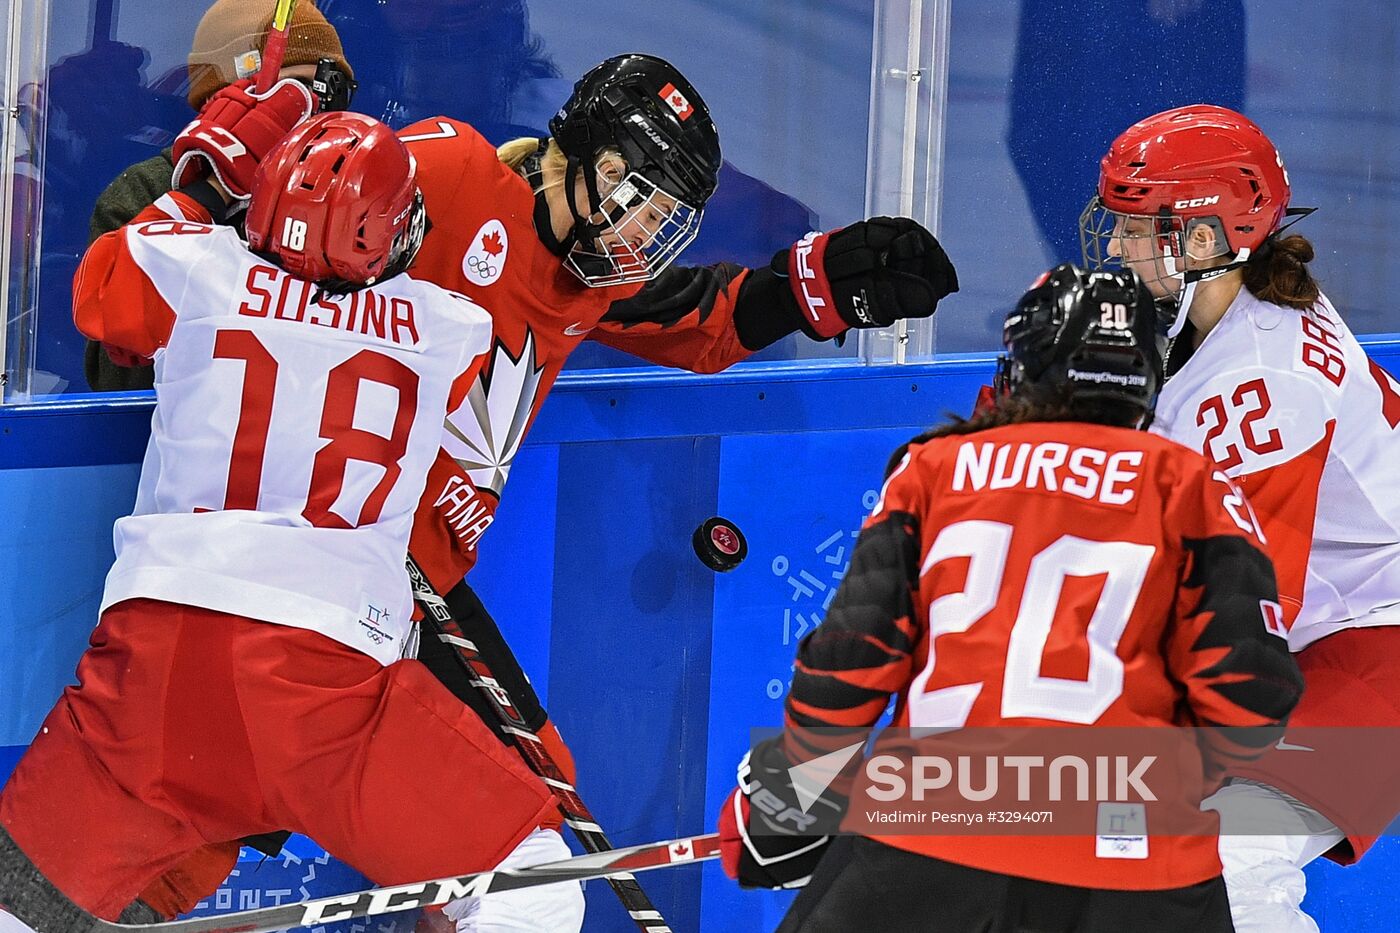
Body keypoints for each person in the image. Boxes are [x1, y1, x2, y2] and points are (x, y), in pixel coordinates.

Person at [111, 50, 960, 922]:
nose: (645, 241)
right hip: (327, 557)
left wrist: (818, 284)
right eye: (645, 210)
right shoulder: (446, 173)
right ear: (595, 164)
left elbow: (697, 318)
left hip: (411, 585)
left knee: (522, 830)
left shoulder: (588, 269)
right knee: (240, 809)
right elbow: (288, 249)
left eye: (666, 223)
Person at [0, 111, 582, 933]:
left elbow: (100, 296)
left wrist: (202, 175)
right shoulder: (452, 329)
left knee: (18, 904)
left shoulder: (193, 266)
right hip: (328, 692)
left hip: (155, 673)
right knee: (540, 884)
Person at [716, 264, 1303, 931]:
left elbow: (851, 659)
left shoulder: (937, 468)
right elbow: (1251, 697)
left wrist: (805, 780)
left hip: (935, 831)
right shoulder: (1199, 487)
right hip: (1138, 859)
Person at [1081, 102, 1400, 933]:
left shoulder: (1262, 386)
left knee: (1227, 857)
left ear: (1203, 240)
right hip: (1325, 630)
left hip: (1374, 645)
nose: (1115, 247)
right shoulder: (1213, 317)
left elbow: (1242, 625)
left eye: (1136, 228)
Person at [84, 0, 356, 392]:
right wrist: (208, 197)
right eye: (294, 98)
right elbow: (118, 381)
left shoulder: (363, 205)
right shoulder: (148, 193)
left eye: (330, 97)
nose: (311, 119)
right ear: (224, 98)